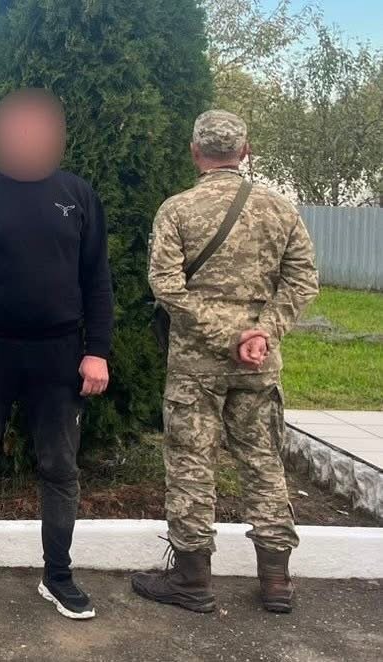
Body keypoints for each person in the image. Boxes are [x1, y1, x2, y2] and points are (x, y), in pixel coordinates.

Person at [0, 89, 113, 620]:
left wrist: (97, 351)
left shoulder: (77, 196)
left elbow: (97, 280)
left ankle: (58, 577)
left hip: (58, 355)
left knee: (60, 468)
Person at [132, 110, 319, 614]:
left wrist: (224, 334)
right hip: (259, 362)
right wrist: (261, 334)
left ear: (195, 152)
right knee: (264, 463)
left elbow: (166, 286)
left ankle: (192, 580)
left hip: (196, 364)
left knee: (191, 465)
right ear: (246, 151)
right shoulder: (280, 209)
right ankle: (276, 582)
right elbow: (303, 281)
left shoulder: (177, 210)